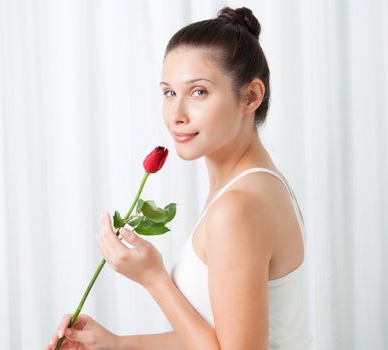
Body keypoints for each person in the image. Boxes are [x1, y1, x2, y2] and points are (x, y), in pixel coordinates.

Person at [46, 6, 312, 350]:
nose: (176, 115)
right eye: (169, 92)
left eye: (198, 92)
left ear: (251, 96)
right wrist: (116, 344)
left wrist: (154, 278)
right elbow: (222, 337)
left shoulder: (237, 208)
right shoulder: (256, 184)